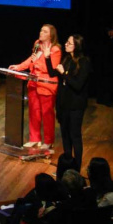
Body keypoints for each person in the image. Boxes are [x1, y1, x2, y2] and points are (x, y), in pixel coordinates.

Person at [10, 24, 61, 149]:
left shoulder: (55, 50)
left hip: (46, 85)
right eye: (41, 30)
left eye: (44, 31)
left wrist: (39, 59)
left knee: (47, 114)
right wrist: (19, 66)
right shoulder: (37, 44)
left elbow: (51, 69)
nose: (41, 33)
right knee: (34, 112)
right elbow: (31, 59)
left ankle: (48, 141)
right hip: (33, 82)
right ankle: (35, 138)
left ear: (51, 35)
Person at [47, 34, 91, 167]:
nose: (66, 44)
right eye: (66, 42)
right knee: (65, 135)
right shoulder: (67, 59)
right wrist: (47, 57)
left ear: (77, 46)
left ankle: (76, 167)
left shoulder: (84, 62)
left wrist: (64, 73)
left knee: (74, 136)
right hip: (63, 104)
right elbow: (52, 73)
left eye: (69, 43)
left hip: (75, 106)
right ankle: (67, 164)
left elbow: (78, 85)